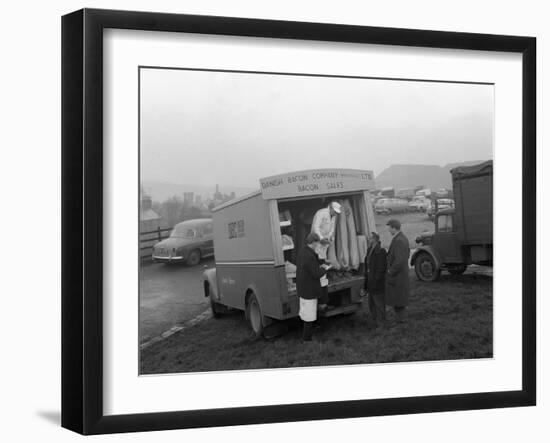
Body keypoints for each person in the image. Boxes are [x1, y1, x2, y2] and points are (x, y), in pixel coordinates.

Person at [296, 233, 331, 341]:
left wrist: (320, 264)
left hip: (303, 288)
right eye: (317, 243)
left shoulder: (303, 252)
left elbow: (311, 267)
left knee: (305, 313)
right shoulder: (309, 256)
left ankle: (307, 335)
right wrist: (325, 268)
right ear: (314, 242)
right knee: (309, 316)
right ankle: (306, 338)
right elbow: (316, 274)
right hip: (309, 290)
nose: (318, 245)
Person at [311, 201, 341, 309]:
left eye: (337, 213)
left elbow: (332, 228)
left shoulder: (333, 216)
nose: (335, 214)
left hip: (324, 245)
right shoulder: (321, 213)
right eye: (335, 212)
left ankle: (323, 299)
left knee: (323, 264)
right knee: (318, 265)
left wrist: (330, 237)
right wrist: (321, 238)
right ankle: (321, 299)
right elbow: (316, 227)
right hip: (317, 243)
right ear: (330, 208)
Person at [385, 219, 410, 323]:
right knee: (398, 297)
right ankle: (400, 319)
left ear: (394, 228)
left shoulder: (399, 240)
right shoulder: (401, 238)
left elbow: (400, 260)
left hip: (398, 275)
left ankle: (401, 320)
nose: (388, 230)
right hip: (400, 274)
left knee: (398, 298)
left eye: (389, 228)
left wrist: (391, 271)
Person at [364, 232, 387, 327]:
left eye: (369, 238)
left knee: (379, 303)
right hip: (370, 281)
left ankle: (381, 322)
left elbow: (381, 268)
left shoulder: (381, 251)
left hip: (377, 282)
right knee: (371, 303)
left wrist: (376, 279)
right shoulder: (369, 249)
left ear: (374, 239)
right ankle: (375, 321)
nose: (368, 239)